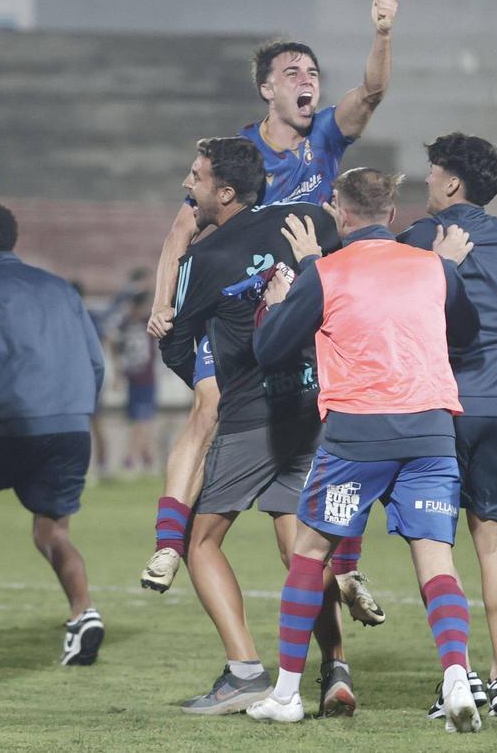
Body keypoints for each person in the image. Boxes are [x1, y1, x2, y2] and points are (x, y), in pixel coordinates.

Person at [143, 0, 400, 630]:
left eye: (313, 72)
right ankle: (169, 543)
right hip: (241, 307)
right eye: (292, 73)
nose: (307, 81)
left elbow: (371, 93)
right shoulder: (237, 155)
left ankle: (345, 569)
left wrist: (382, 34)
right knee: (209, 407)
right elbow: (181, 230)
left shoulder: (327, 138)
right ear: (266, 90)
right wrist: (162, 303)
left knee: (336, 422)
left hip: (306, 305)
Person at [245, 168, 479, 728]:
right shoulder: (433, 268)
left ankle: (286, 694)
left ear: (340, 214)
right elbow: (467, 334)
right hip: (430, 432)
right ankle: (457, 678)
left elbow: (270, 350)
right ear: (392, 214)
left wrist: (284, 294)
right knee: (437, 561)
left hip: (357, 437)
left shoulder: (326, 272)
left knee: (308, 553)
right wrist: (446, 271)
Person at [157, 136, 351, 716]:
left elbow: (174, 342)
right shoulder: (310, 219)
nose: (187, 186)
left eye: (195, 177)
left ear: (224, 193)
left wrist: (208, 382)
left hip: (250, 417)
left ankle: (244, 672)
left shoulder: (204, 260)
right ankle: (335, 668)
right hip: (311, 408)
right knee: (303, 549)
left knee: (199, 541)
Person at [0, 203, 106, 666]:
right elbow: (95, 363)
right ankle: (83, 613)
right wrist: (74, 410)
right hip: (70, 424)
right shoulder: (60, 288)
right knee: (52, 530)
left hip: (5, 421)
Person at [397, 133, 497, 716]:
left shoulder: (423, 237)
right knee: (495, 543)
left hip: (443, 405)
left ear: (451, 181)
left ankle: (461, 677)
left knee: (436, 547)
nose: (426, 178)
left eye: (432, 170)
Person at [113, 293, 158, 471]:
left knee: (143, 419)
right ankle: (148, 457)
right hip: (133, 378)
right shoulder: (125, 324)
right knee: (139, 419)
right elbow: (115, 346)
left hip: (147, 379)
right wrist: (118, 375)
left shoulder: (149, 323)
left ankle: (131, 458)